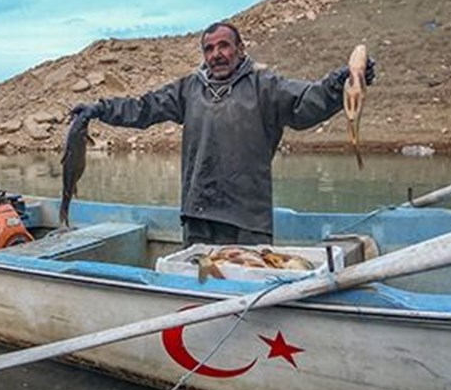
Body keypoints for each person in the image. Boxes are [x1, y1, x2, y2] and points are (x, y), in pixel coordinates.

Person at [70, 21, 375, 246]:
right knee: (196, 286)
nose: (217, 54)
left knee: (247, 285)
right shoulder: (188, 90)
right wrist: (98, 108)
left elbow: (308, 103)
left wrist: (340, 84)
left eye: (224, 46)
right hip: (199, 214)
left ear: (240, 49)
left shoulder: (265, 86)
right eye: (209, 48)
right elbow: (142, 108)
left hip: (247, 220)